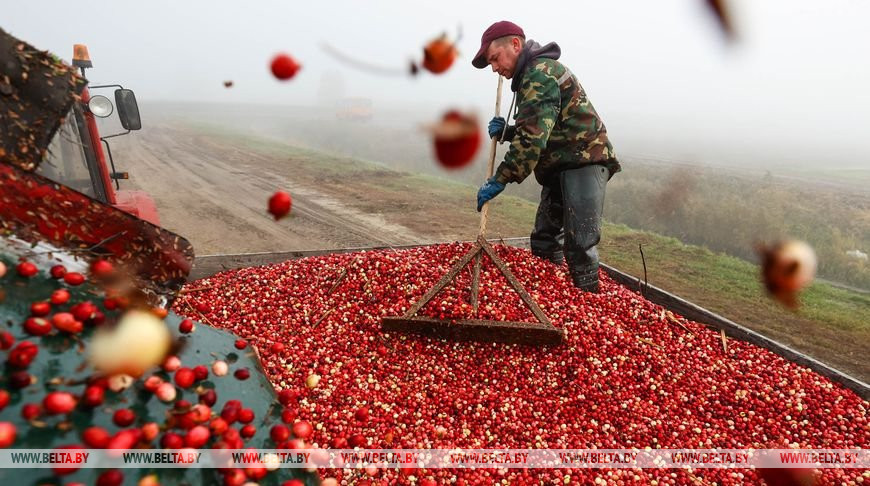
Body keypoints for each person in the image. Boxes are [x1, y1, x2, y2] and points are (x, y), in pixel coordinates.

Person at [472, 20, 621, 293]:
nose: (494, 67)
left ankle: (587, 303)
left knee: (580, 243)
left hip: (584, 161)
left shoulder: (539, 74)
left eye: (495, 58)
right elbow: (542, 125)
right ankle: (550, 293)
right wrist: (509, 132)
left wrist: (500, 179)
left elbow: (533, 139)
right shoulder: (531, 75)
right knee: (544, 238)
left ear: (515, 44)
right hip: (561, 164)